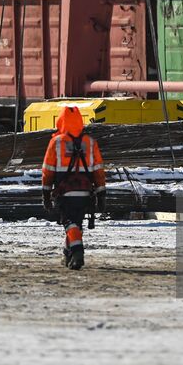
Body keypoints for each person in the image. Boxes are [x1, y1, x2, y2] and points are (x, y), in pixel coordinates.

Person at [40, 104, 107, 270]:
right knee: (76, 224)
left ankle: (77, 253)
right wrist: (101, 195)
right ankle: (67, 254)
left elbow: (47, 171)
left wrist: (46, 194)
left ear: (61, 120)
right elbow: (98, 171)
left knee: (69, 223)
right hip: (86, 193)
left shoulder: (56, 142)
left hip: (65, 192)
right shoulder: (90, 143)